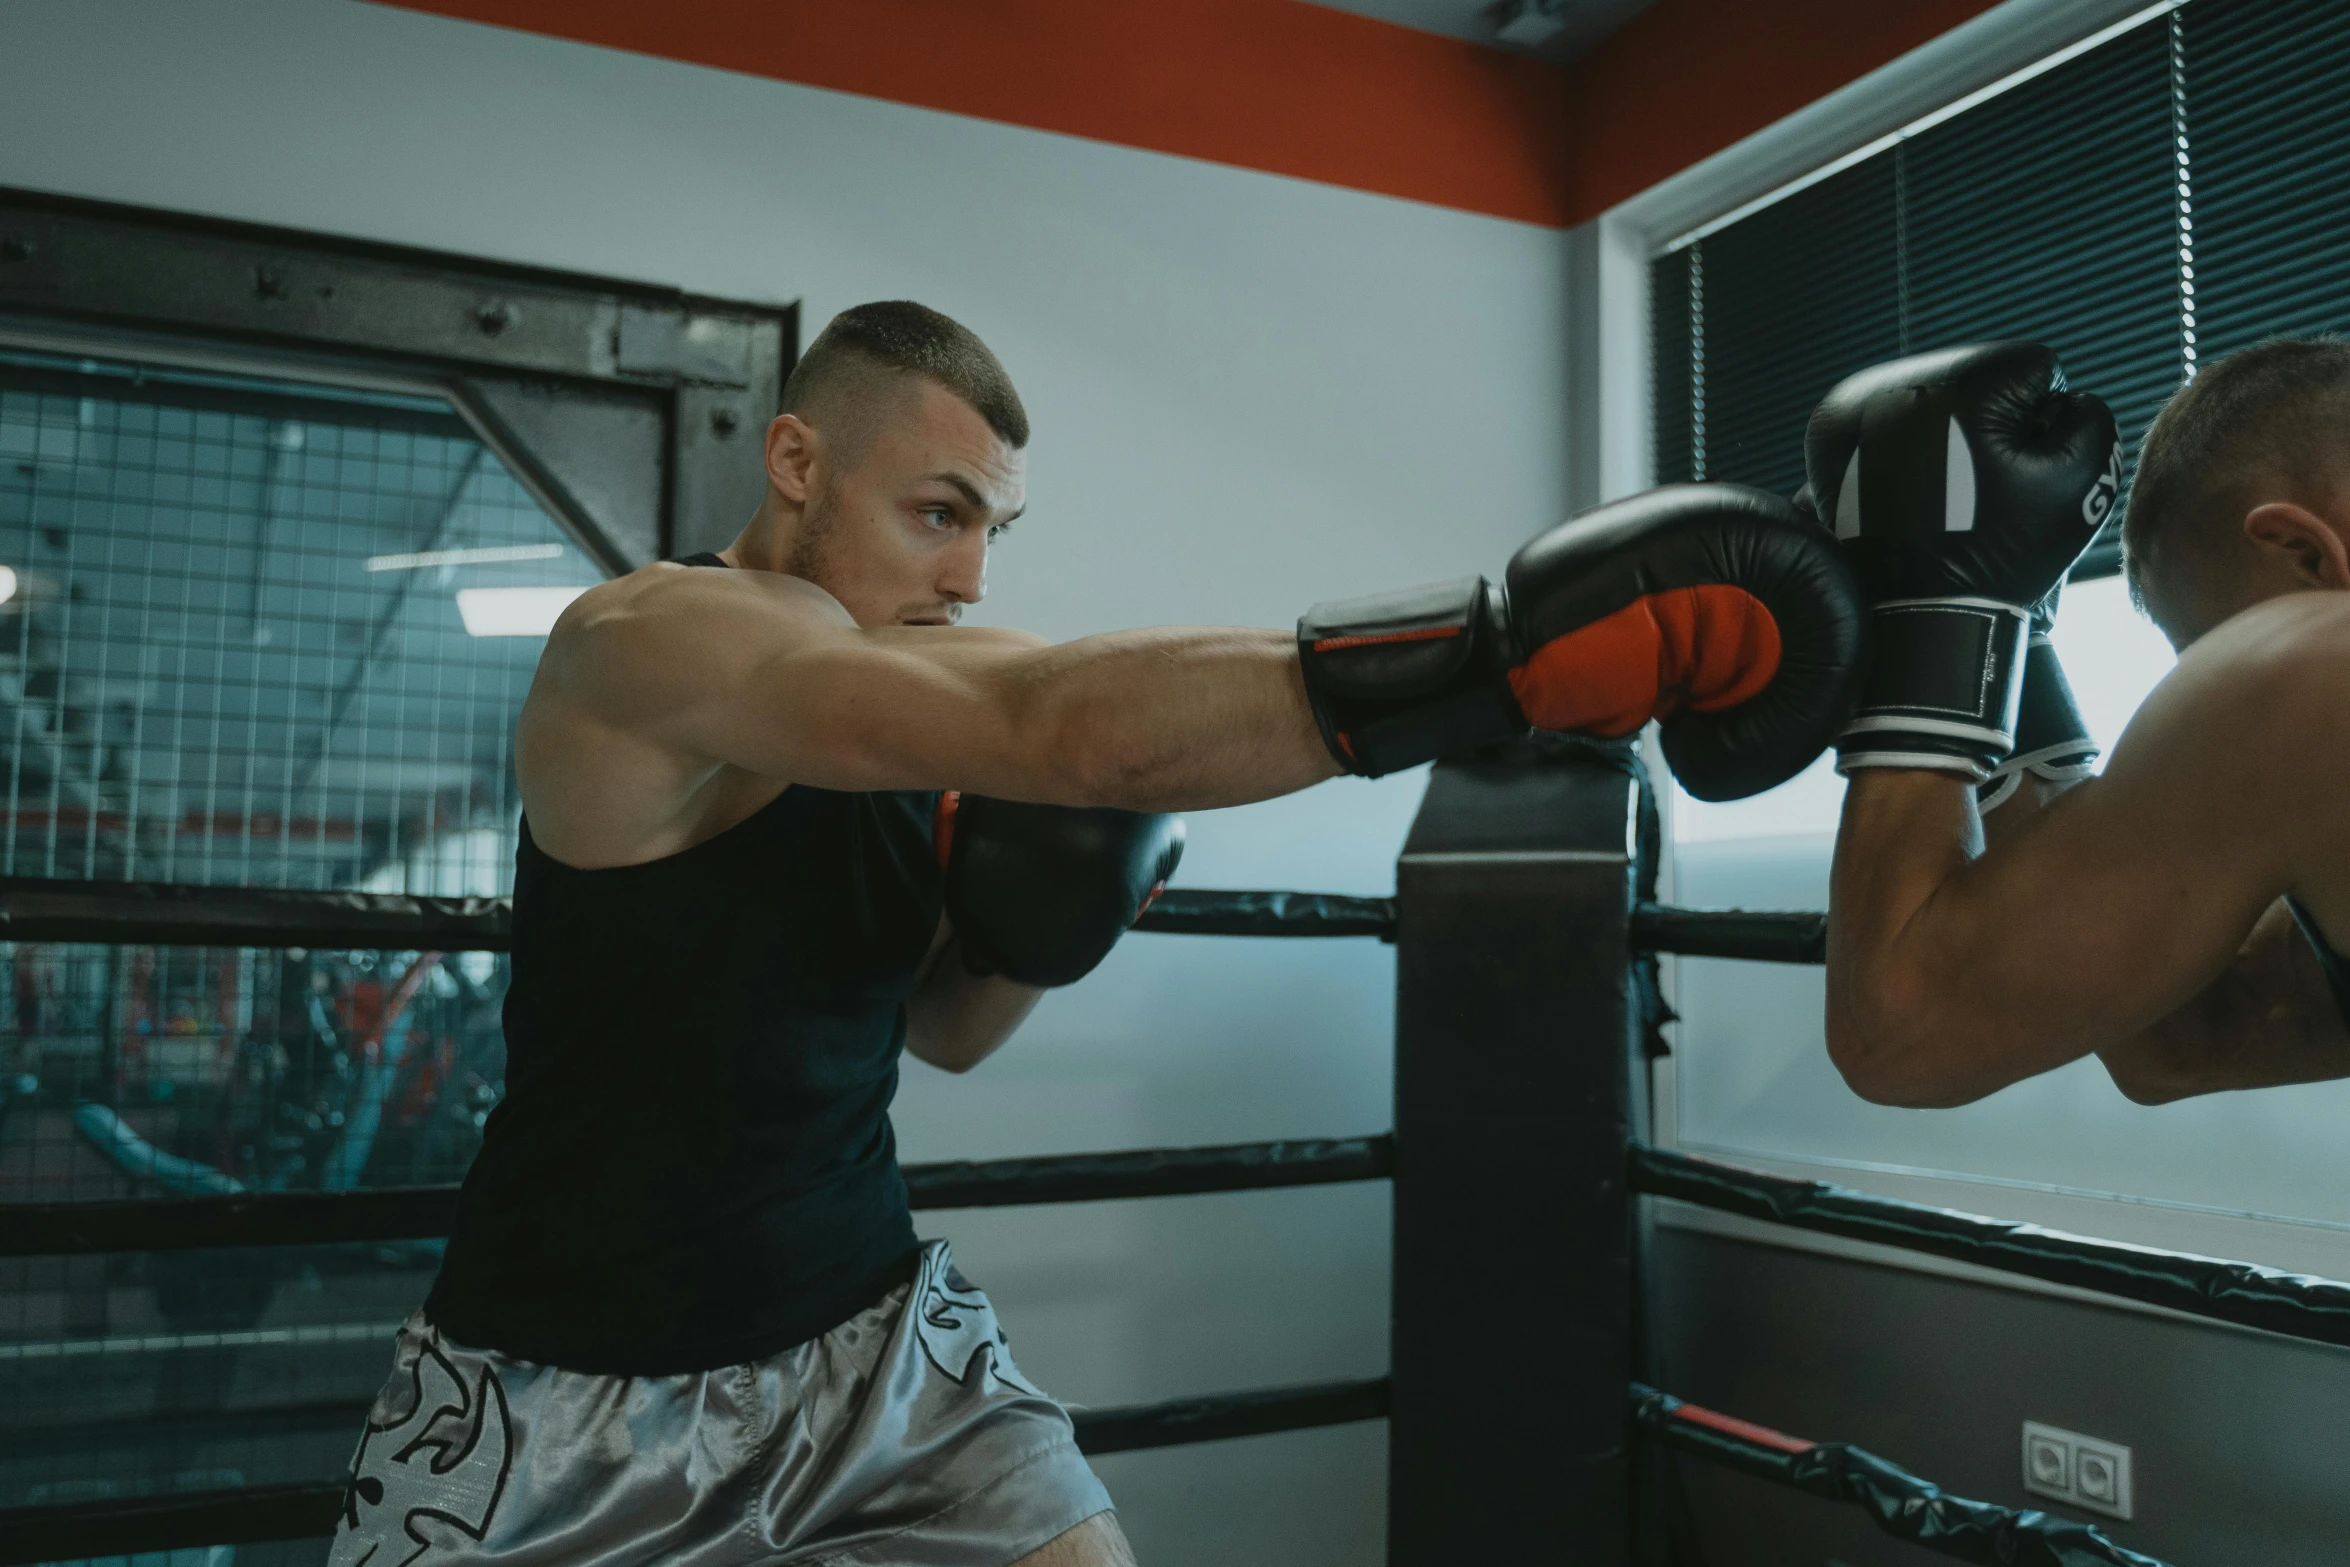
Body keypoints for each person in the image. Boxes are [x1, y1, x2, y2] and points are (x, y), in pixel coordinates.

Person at [331, 300, 1860, 1567]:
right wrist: (1504, 661)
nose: (970, 573)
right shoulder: (647, 644)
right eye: (935, 513)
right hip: (565, 1387)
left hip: (866, 1339)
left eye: (992, 527)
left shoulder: (904, 682)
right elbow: (1053, 720)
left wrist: (1041, 907)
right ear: (794, 459)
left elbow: (946, 1023)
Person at [1822, 337, 2350, 1111]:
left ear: (2304, 554)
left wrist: (1935, 620)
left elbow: (1896, 1035)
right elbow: (2185, 1039)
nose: (2216, 677)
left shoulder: (2308, 664)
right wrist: (2012, 648)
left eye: (2209, 648)